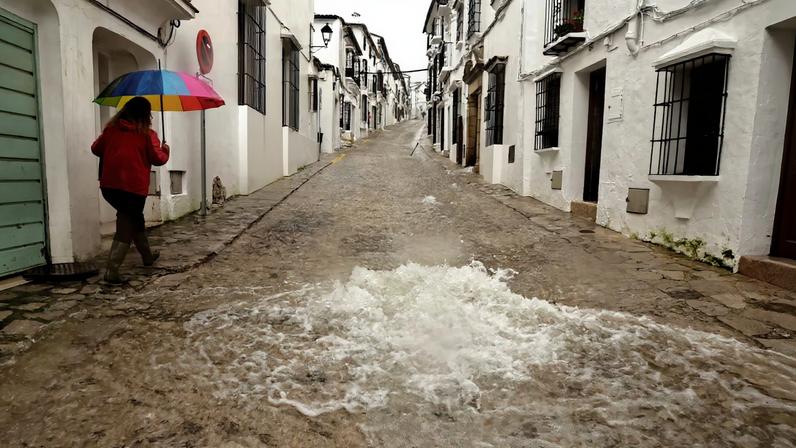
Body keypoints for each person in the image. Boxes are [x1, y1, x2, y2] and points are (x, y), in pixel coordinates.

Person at [91, 97, 170, 283]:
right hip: (133, 188)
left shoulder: (111, 130)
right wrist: (166, 149)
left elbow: (96, 148)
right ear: (146, 115)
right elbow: (158, 159)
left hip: (110, 186)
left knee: (135, 218)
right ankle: (112, 270)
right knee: (126, 223)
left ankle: (147, 257)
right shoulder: (147, 134)